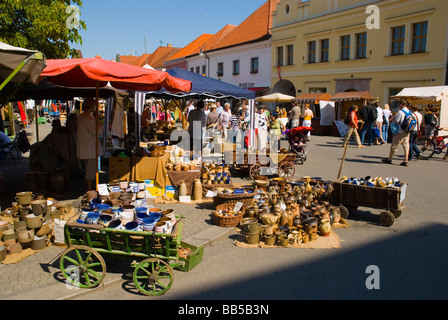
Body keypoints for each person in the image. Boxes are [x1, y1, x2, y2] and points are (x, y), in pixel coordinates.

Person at [77, 97, 104, 191]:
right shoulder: (88, 119)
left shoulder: (82, 116)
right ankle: (89, 187)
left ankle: (90, 186)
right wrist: (98, 120)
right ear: (92, 106)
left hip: (87, 146)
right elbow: (98, 131)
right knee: (90, 168)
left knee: (90, 167)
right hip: (90, 147)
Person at [381, 100, 411, 166]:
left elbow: (397, 121)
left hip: (400, 131)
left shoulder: (400, 112)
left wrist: (394, 117)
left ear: (401, 104)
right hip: (407, 131)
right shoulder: (409, 111)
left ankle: (389, 159)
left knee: (394, 145)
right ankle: (405, 160)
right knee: (406, 146)